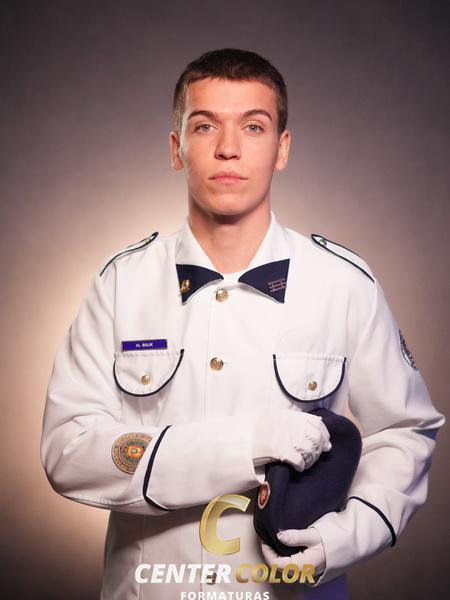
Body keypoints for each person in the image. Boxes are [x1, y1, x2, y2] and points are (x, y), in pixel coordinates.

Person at [41, 48, 445, 600]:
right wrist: (246, 444)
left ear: (283, 147)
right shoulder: (120, 283)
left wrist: (341, 540)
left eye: (253, 126)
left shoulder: (344, 282)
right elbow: (69, 448)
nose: (228, 147)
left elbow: (405, 430)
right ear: (176, 148)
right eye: (205, 126)